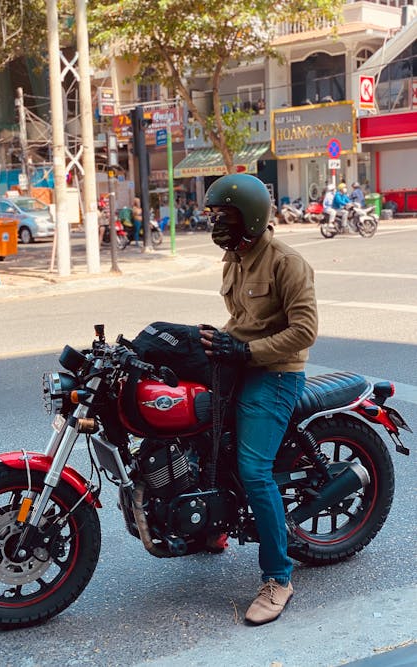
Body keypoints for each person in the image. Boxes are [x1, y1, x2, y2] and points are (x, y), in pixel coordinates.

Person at [200, 173, 318, 626]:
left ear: (249, 217)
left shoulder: (287, 262)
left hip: (275, 373)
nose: (216, 226)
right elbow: (241, 319)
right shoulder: (234, 259)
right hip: (239, 361)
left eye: (224, 216)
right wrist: (213, 340)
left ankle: (279, 578)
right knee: (197, 429)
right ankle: (212, 524)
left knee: (253, 469)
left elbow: (304, 331)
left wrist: (246, 351)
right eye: (214, 217)